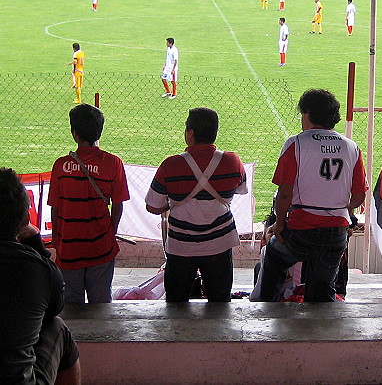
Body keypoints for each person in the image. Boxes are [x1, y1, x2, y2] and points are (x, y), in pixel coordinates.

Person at [259, 89, 367, 302]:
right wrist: (335, 204)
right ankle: (321, 327)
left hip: (301, 230)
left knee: (273, 255)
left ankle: (265, 307)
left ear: (307, 114)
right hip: (336, 231)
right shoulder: (351, 147)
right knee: (323, 286)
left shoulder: (295, 144)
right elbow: (358, 197)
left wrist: (279, 223)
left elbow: (284, 194)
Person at [145, 107, 247, 302]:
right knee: (220, 304)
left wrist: (173, 203)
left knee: (176, 304)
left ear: (190, 133)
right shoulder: (232, 161)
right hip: (220, 243)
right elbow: (239, 189)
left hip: (180, 246)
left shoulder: (170, 165)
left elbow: (152, 206)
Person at [0, 168, 82, 384]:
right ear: (26, 218)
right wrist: (35, 242)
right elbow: (52, 309)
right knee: (58, 328)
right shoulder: (37, 269)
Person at [48, 104, 130, 304]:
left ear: (74, 134)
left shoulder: (60, 166)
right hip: (101, 246)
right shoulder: (113, 163)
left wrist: (57, 240)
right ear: (99, 131)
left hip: (68, 248)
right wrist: (110, 232)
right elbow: (118, 205)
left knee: (70, 307)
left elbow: (55, 208)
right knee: (101, 304)